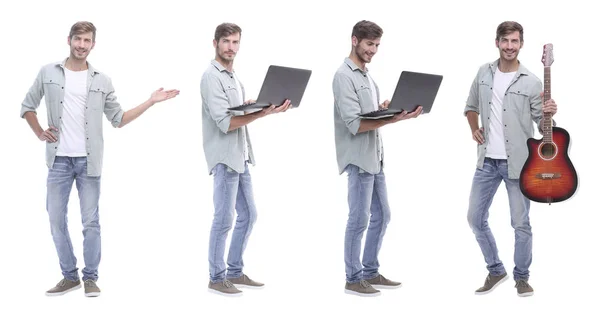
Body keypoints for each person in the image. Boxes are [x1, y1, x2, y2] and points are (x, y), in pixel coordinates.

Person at [20, 21, 180, 297]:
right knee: (56, 219)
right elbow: (26, 106)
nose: (82, 45)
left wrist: (150, 101)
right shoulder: (48, 72)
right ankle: (69, 276)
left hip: (88, 163)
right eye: (78, 39)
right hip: (58, 161)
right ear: (68, 40)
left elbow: (118, 119)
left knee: (90, 222)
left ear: (93, 45)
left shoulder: (102, 80)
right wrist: (38, 132)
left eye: (87, 41)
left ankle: (91, 278)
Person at [464, 21, 558, 297]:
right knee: (474, 218)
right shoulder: (483, 73)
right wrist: (474, 128)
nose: (509, 46)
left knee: (520, 223)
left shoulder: (531, 81)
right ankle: (495, 270)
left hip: (519, 165)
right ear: (497, 42)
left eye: (514, 41)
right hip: (486, 163)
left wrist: (550, 113)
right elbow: (469, 107)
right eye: (505, 41)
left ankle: (522, 277)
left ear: (521, 45)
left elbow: (544, 128)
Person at [332, 20, 423, 297]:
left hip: (376, 157)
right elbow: (354, 124)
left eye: (377, 45)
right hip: (359, 159)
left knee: (382, 215)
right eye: (369, 44)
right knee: (358, 219)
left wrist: (386, 109)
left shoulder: (366, 76)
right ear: (354, 40)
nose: (373, 50)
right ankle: (353, 277)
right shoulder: (343, 75)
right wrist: (393, 119)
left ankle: (370, 271)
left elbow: (368, 114)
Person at [201, 22, 292, 297]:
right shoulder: (211, 76)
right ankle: (216, 277)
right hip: (225, 157)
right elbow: (226, 123)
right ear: (215, 43)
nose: (231, 47)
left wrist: (255, 107)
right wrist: (262, 114)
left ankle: (234, 271)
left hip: (240, 155)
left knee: (249, 214)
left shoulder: (232, 77)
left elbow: (235, 114)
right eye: (226, 41)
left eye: (236, 42)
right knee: (224, 218)